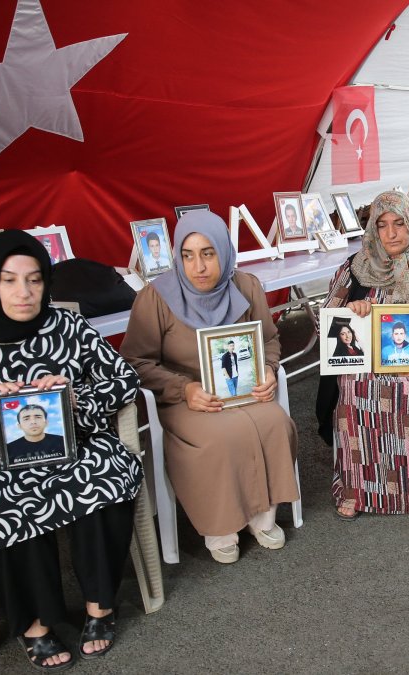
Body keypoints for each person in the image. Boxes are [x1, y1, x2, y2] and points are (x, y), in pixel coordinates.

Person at [0, 230, 143, 669]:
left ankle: (99, 605)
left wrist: (76, 397)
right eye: (10, 280)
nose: (24, 292)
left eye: (35, 280)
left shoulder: (68, 326)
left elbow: (124, 379)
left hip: (72, 445)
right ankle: (34, 623)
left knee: (104, 478)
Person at [121, 210, 298, 564]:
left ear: (224, 251)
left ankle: (261, 518)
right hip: (187, 399)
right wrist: (183, 389)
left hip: (245, 392)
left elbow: (270, 340)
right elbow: (135, 362)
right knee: (219, 436)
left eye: (208, 253)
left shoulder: (246, 286)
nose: (198, 267)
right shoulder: (156, 299)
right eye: (188, 255)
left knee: (275, 422)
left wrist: (266, 368)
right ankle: (221, 528)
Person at [314, 190, 409, 520]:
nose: (391, 233)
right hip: (366, 361)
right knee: (357, 390)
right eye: (382, 225)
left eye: (399, 224)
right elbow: (326, 326)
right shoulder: (355, 268)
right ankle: (358, 489)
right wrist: (351, 313)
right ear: (372, 230)